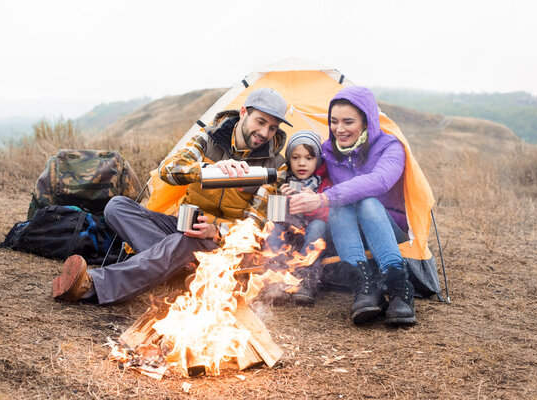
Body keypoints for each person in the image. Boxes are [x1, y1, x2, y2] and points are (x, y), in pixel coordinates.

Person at [51, 88, 291, 305]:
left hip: (220, 243)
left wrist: (217, 230)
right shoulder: (208, 138)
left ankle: (92, 285)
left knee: (185, 240)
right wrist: (208, 170)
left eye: (272, 128)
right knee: (116, 206)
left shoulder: (275, 165)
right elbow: (168, 170)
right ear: (243, 113)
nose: (264, 133)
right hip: (183, 224)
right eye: (260, 122)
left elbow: (255, 224)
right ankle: (183, 272)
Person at [288, 86, 416, 326]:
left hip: (389, 232)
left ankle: (400, 289)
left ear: (367, 122)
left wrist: (325, 197)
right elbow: (304, 167)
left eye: (348, 122)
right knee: (338, 206)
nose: (339, 129)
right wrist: (295, 188)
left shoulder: (390, 147)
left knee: (365, 202)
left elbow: (379, 181)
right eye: (334, 121)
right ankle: (364, 286)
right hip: (349, 236)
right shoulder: (329, 151)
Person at [265, 129, 330, 305]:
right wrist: (283, 198)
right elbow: (273, 216)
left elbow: (327, 217)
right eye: (295, 157)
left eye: (309, 158)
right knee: (274, 227)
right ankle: (275, 279)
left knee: (318, 225)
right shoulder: (282, 179)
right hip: (288, 239)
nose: (302, 163)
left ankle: (305, 280)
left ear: (318, 160)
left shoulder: (324, 183)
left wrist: (313, 201)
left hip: (312, 240)